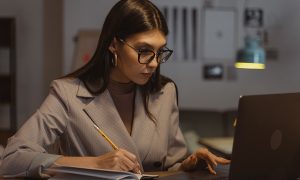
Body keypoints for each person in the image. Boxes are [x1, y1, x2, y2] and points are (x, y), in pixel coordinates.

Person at [0, 0, 230, 178]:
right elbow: (12, 158)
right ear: (113, 45)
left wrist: (188, 165)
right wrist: (95, 164)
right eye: (144, 50)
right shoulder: (67, 93)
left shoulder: (164, 92)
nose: (154, 62)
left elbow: (169, 166)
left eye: (160, 52)